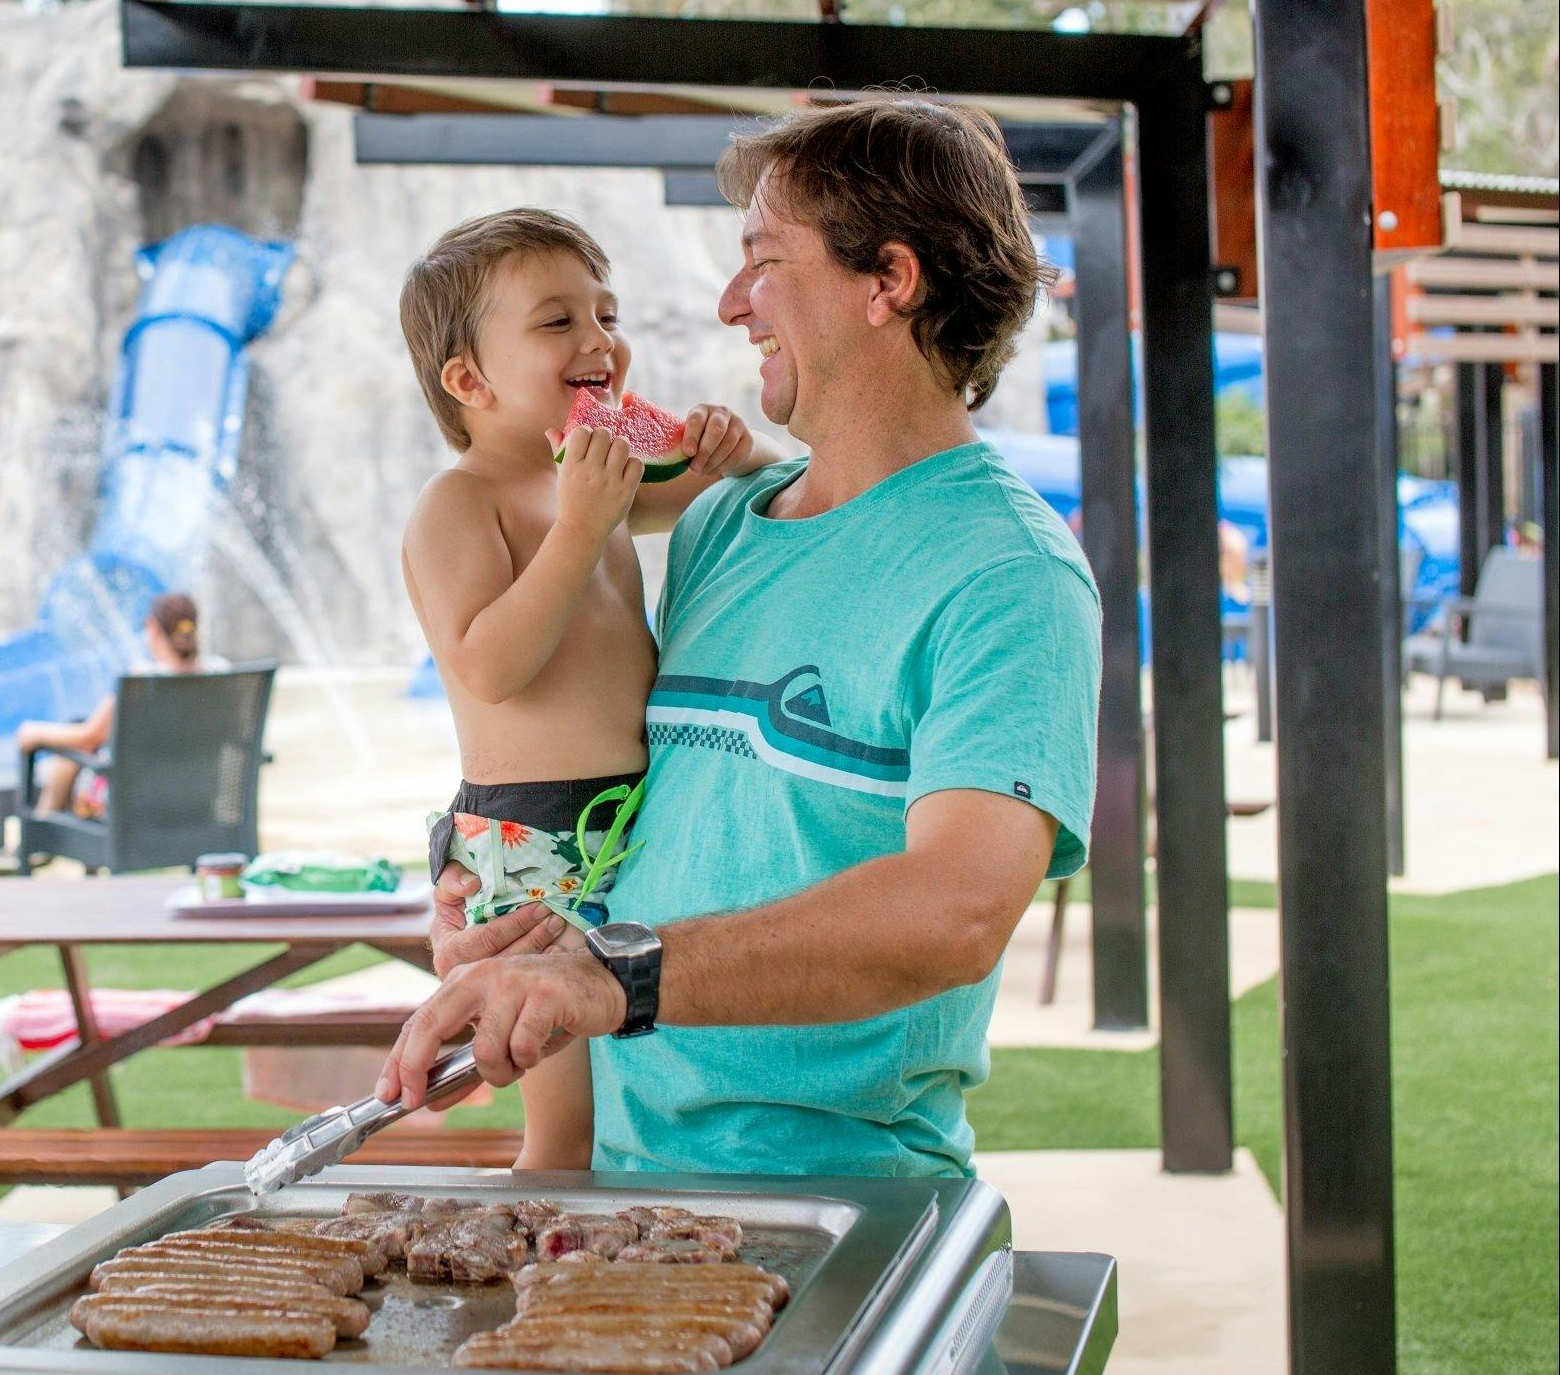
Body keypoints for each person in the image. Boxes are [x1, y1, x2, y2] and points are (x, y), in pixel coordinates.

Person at [379, 99, 1103, 1185]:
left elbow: (954, 911)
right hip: (623, 1180)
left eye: (762, 261)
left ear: (887, 280)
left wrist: (616, 972)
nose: (728, 304)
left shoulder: (1007, 573)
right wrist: (504, 896)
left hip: (833, 1193)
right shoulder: (720, 523)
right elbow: (653, 797)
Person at [394, 208, 781, 1169]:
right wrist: (578, 527)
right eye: (557, 320)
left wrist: (736, 454)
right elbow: (487, 664)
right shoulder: (459, 502)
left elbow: (760, 495)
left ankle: (623, 1244)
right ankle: (538, 1256)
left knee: (639, 1100)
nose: (599, 339)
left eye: (606, 314)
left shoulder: (598, 478)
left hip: (638, 820)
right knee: (566, 1128)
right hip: (533, 839)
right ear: (469, 380)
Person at [14, 592, 213, 816]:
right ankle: (43, 822)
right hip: (199, 808)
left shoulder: (142, 680)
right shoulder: (219, 677)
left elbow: (89, 736)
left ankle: (40, 825)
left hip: (137, 813)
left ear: (152, 627)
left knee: (74, 742)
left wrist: (35, 733)